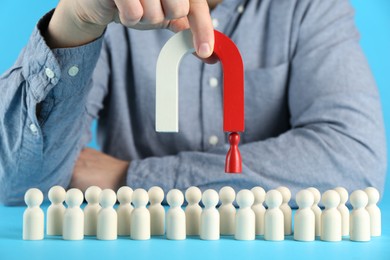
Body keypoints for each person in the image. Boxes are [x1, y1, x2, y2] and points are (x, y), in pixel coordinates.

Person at [0, 0, 387, 205]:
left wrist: (126, 178)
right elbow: (18, 185)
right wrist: (76, 25)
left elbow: (353, 159)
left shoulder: (309, 7)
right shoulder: (113, 11)